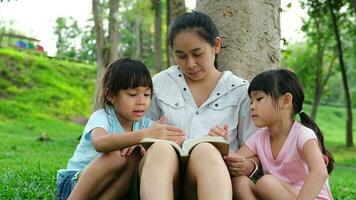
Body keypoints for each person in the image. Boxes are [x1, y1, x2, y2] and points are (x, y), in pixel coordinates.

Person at [139, 11, 257, 200]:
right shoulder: (160, 83)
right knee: (161, 149)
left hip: (211, 177)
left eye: (197, 53)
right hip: (163, 174)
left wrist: (250, 165)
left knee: (206, 150)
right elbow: (139, 131)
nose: (190, 64)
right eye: (181, 56)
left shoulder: (240, 91)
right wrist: (152, 138)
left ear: (216, 45)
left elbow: (257, 145)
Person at [56, 58, 184, 200]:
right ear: (110, 95)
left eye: (147, 94)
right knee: (115, 156)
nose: (141, 101)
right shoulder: (103, 117)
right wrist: (143, 136)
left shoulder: (145, 124)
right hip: (74, 183)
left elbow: (176, 139)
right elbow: (100, 143)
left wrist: (146, 144)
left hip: (109, 188)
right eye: (132, 94)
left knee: (134, 155)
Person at [230, 69, 334, 199]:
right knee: (240, 182)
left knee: (266, 183)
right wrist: (221, 142)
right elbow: (233, 161)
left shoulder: (303, 135)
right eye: (251, 101)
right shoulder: (259, 138)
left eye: (259, 98)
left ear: (285, 100)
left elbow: (320, 173)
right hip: (280, 194)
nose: (252, 106)